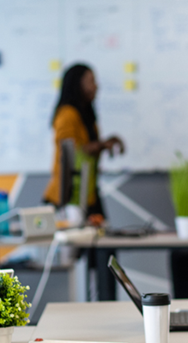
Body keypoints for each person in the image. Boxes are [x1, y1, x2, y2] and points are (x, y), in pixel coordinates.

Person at [43, 63, 125, 223]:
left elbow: (89, 146)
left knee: (102, 240)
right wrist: (102, 145)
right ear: (77, 84)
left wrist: (106, 143)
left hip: (88, 191)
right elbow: (71, 151)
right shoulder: (67, 114)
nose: (96, 86)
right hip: (69, 194)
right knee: (75, 243)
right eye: (91, 81)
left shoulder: (87, 114)